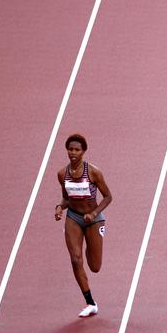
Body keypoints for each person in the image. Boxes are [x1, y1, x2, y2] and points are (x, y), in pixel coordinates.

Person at [55, 134, 112, 317]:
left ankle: (89, 244)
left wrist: (94, 213)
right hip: (73, 218)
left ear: (83, 152)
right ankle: (90, 302)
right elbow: (66, 197)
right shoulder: (62, 174)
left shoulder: (94, 172)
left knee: (95, 266)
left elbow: (108, 196)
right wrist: (59, 207)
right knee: (75, 259)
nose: (73, 153)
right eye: (70, 149)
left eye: (77, 150)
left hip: (93, 219)